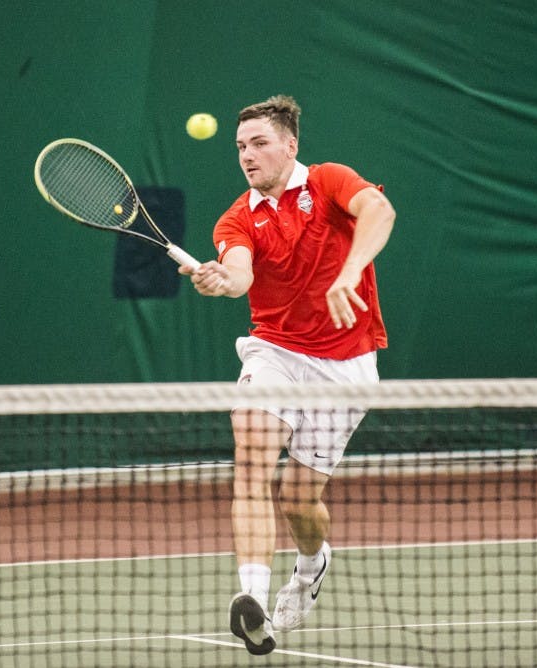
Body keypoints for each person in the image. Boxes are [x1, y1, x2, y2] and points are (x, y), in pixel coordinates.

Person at [179, 94, 396, 655]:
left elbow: (380, 212)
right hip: (274, 352)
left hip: (346, 365)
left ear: (290, 145)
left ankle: (310, 565)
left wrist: (350, 272)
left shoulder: (328, 182)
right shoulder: (236, 218)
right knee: (251, 460)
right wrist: (221, 281)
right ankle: (251, 599)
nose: (247, 156)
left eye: (259, 143)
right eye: (240, 147)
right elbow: (240, 275)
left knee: (299, 500)